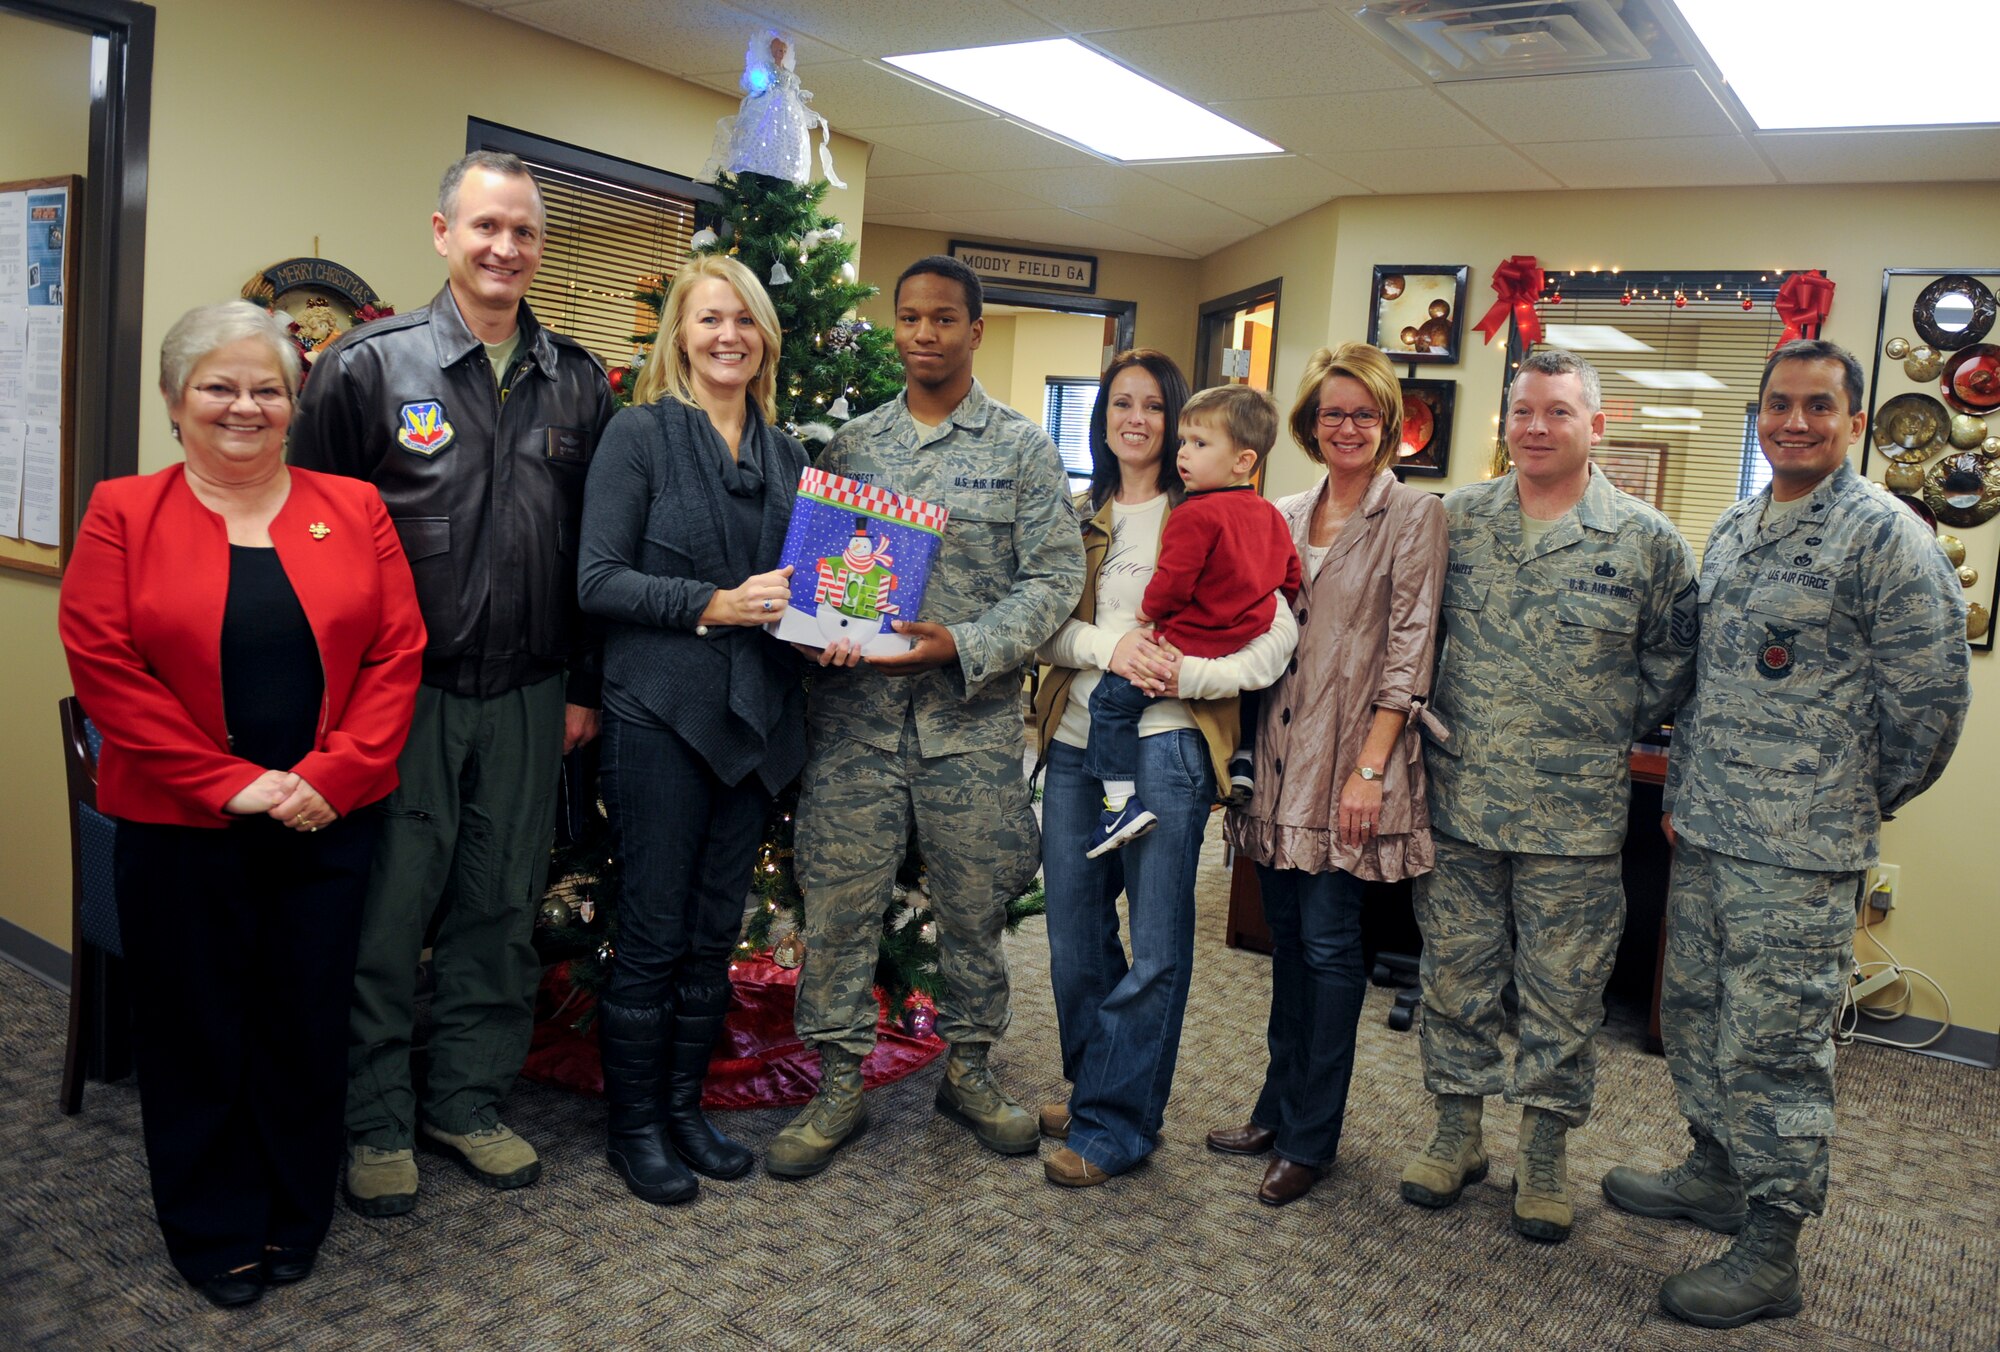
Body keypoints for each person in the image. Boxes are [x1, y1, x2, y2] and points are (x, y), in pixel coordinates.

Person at [57, 302, 425, 1307]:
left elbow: (398, 653)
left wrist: (329, 777)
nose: (243, 405)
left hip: (327, 819)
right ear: (177, 401)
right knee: (196, 1028)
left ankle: (293, 1208)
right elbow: (105, 668)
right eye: (219, 385)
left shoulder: (353, 507)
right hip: (182, 827)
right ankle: (212, 1222)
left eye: (267, 387)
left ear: (294, 401)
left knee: (302, 1022)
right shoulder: (123, 511)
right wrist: (230, 781)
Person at [1604, 340, 1969, 1329]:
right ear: (1756, 416)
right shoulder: (1732, 525)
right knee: (1693, 1014)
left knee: (1775, 1048)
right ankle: (1714, 1171)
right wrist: (1684, 786)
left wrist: (1845, 800)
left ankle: (1769, 1249)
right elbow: (1703, 682)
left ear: (1852, 420)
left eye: (1817, 405)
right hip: (1711, 832)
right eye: (1777, 404)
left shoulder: (1884, 538)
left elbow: (1929, 704)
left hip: (1800, 853)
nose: (1793, 421)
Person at [289, 151, 614, 1215]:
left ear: (539, 245)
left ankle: (464, 1099)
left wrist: (581, 686)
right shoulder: (368, 369)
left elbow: (591, 555)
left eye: (522, 230)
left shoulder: (579, 380)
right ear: (442, 233)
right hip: (401, 694)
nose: (503, 247)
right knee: (388, 911)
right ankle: (376, 1115)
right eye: (484, 227)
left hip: (528, 691)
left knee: (498, 909)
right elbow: (311, 537)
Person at [764, 255, 1083, 1179]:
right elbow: (817, 576)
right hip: (857, 725)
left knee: (976, 910)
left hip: (969, 728)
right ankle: (838, 1085)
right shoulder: (850, 448)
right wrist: (814, 632)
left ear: (976, 331)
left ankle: (971, 1069)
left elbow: (1057, 578)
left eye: (945, 318)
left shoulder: (1022, 449)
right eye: (909, 318)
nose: (925, 334)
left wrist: (967, 642)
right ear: (894, 328)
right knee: (840, 909)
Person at [1399, 348, 1697, 1242]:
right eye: (1524, 411)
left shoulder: (1646, 541)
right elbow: (1414, 641)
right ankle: (1457, 1133)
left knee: (1563, 993)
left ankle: (1542, 1152)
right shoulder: (1455, 520)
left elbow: (1673, 669)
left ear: (1594, 425)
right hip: (1460, 803)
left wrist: (1582, 721)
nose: (1537, 427)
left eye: (1558, 412)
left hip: (1575, 815)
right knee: (1455, 976)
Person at [1032, 351, 1299, 1188]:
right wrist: (1113, 647)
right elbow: (1040, 630)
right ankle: (1093, 1088)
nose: (1137, 419)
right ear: (1102, 417)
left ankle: (1120, 1124)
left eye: (1155, 405)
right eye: (1121, 403)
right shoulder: (1076, 518)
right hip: (1077, 742)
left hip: (1170, 744)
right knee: (1074, 941)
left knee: (1154, 946)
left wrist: (1186, 675)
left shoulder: (1224, 509)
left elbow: (1278, 636)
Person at [576, 255, 807, 1205]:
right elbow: (596, 580)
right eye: (711, 319)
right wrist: (715, 602)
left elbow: (812, 590)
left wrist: (828, 634)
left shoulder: (791, 454)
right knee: (655, 930)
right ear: (680, 334)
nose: (729, 336)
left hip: (758, 721)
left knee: (716, 934)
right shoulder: (639, 437)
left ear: (764, 338)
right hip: (659, 715)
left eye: (744, 320)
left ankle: (683, 1110)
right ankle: (635, 1128)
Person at [1209, 342, 1448, 1206]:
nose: (1346, 427)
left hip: (1351, 763)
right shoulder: (1280, 509)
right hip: (1273, 760)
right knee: (1286, 951)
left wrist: (1371, 769)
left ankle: (1313, 1138)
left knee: (1331, 948)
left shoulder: (1415, 516)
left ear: (1388, 427)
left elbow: (1410, 652)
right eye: (1332, 412)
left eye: (1364, 414)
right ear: (1310, 423)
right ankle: (1276, 1109)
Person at [1079, 383, 1300, 858]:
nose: (1184, 454)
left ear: (1243, 460)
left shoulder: (1192, 514)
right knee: (1250, 698)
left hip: (1181, 648)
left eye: (1200, 444)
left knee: (1110, 706)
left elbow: (1174, 581)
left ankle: (1119, 804)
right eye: (1184, 442)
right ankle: (1243, 760)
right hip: (1239, 643)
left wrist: (1148, 612)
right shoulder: (1270, 514)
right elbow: (1291, 577)